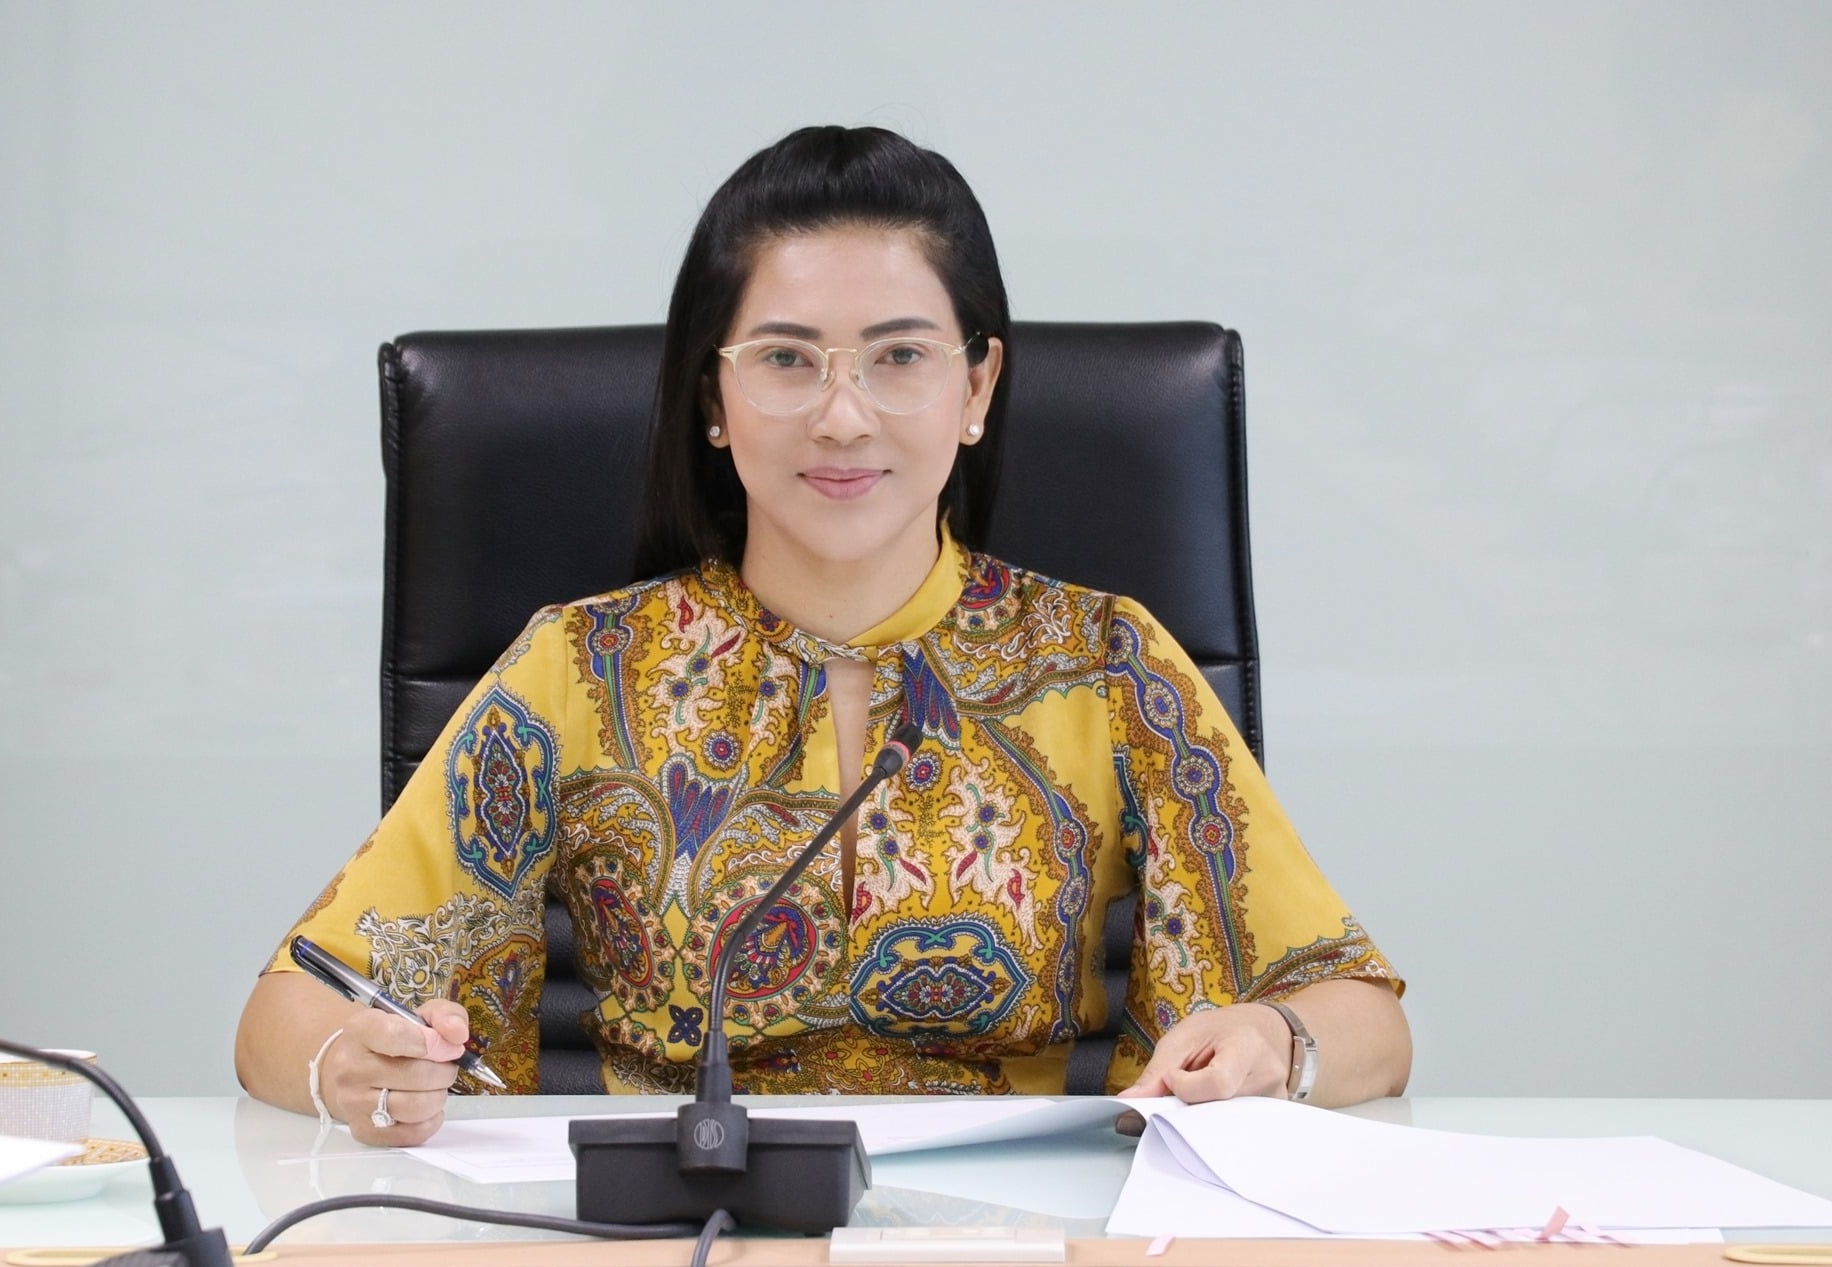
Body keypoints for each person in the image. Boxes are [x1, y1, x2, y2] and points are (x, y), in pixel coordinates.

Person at [235, 126, 1410, 1146]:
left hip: (1015, 1252)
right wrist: (347, 1065)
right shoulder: (581, 667)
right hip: (676, 1239)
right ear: (713, 396)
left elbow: (1363, 1018)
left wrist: (1276, 1045)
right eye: (786, 360)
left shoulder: (1102, 663)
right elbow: (283, 1013)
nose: (842, 417)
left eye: (899, 357)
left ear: (976, 388)